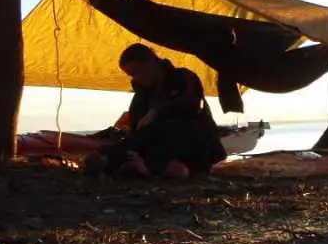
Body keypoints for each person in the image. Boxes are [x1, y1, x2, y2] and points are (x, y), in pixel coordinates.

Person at [85, 44, 227, 178]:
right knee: (128, 145)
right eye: (131, 75)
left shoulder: (183, 77)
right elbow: (139, 129)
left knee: (176, 131)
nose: (136, 78)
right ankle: (120, 162)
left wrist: (157, 112)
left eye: (137, 72)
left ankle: (153, 166)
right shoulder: (141, 96)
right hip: (159, 142)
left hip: (193, 139)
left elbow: (193, 105)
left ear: (151, 62)